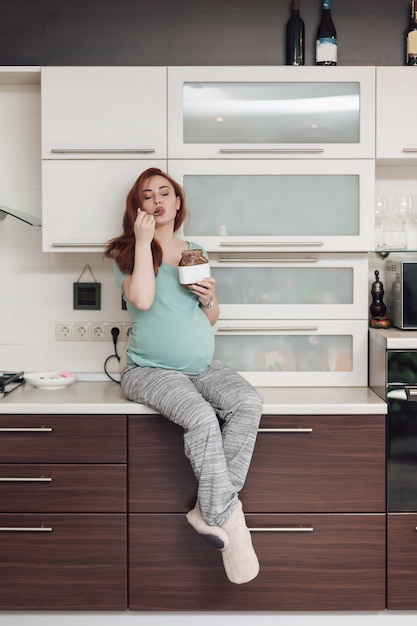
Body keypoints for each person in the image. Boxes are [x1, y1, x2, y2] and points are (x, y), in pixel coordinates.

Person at [104, 167, 263, 584]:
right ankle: (230, 523)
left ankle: (208, 509)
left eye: (165, 193)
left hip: (201, 367)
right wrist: (142, 242)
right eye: (147, 195)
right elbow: (141, 299)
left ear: (177, 203)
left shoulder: (195, 250)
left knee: (249, 403)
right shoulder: (126, 253)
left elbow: (208, 317)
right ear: (138, 207)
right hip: (148, 371)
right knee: (202, 419)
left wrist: (211, 300)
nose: (157, 200)